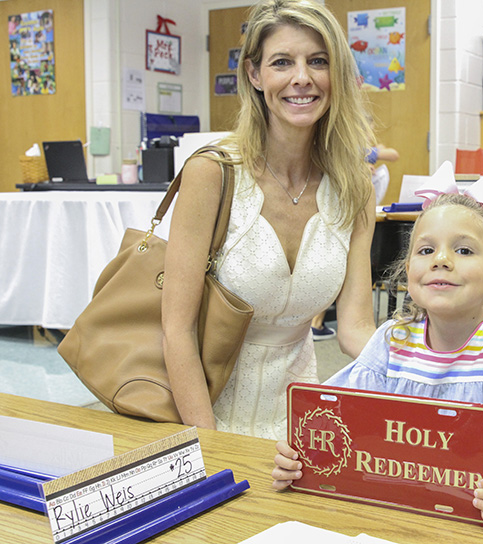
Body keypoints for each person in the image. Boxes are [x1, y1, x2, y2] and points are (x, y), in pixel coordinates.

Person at [271, 168, 483, 528]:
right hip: (398, 502)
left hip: (471, 509)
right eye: (426, 249)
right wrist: (301, 458)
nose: (441, 259)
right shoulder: (392, 339)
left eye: (463, 250)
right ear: (409, 271)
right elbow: (346, 424)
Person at [161, 0, 377, 440]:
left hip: (300, 425)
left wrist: (433, 364)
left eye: (318, 61)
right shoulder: (212, 174)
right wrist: (210, 445)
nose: (303, 78)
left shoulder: (355, 187)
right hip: (203, 413)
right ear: (255, 75)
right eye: (283, 62)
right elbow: (177, 329)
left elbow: (355, 328)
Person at [310, 134, 399, 341]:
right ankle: (316, 323)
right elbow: (392, 154)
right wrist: (370, 152)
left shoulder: (343, 153)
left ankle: (319, 323)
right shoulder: (352, 149)